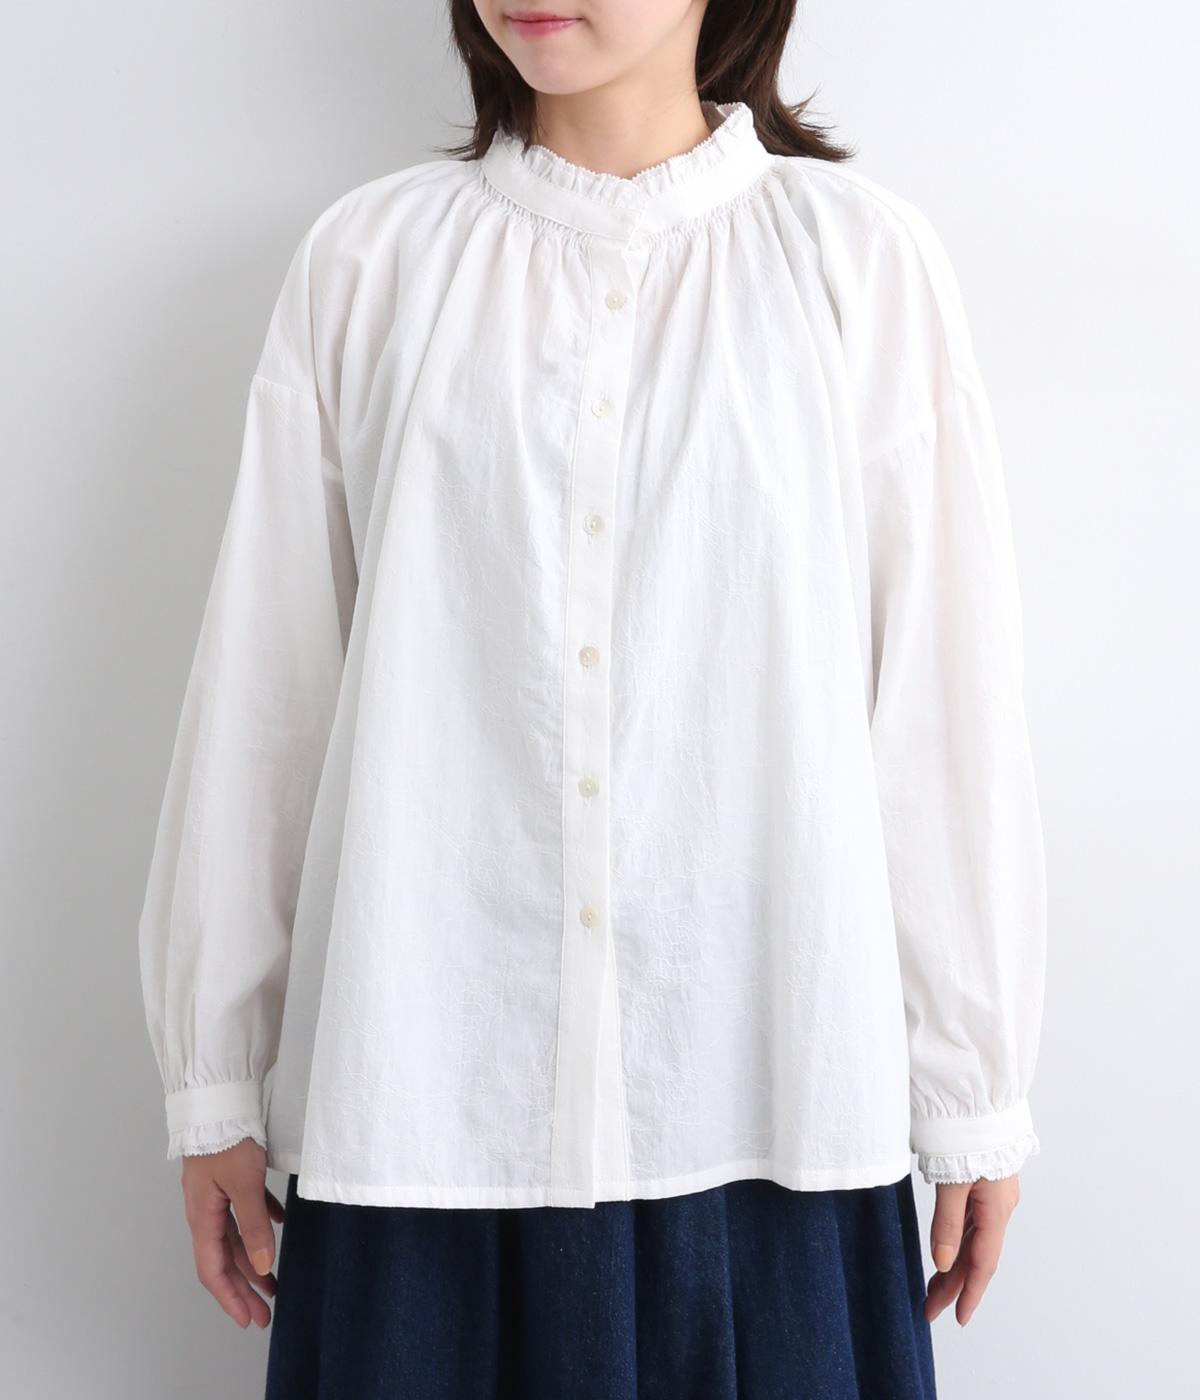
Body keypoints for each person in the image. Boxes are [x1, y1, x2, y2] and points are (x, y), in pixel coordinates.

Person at [136, 2, 1048, 1396]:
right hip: (424, 1102)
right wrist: (212, 1074)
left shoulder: (857, 263)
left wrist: (973, 1089)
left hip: (769, 1104)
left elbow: (941, 702)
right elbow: (268, 688)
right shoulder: (372, 262)